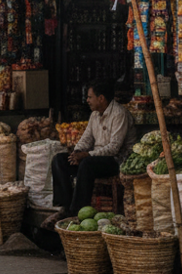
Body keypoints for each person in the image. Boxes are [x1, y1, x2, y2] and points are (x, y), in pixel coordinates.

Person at [47, 80, 135, 225]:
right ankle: (64, 207)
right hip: (97, 157)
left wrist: (87, 155)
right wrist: (76, 152)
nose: (87, 100)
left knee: (87, 164)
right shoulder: (95, 114)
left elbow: (114, 148)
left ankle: (77, 210)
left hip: (116, 160)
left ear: (101, 98)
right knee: (60, 160)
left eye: (90, 97)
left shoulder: (119, 114)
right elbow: (86, 138)